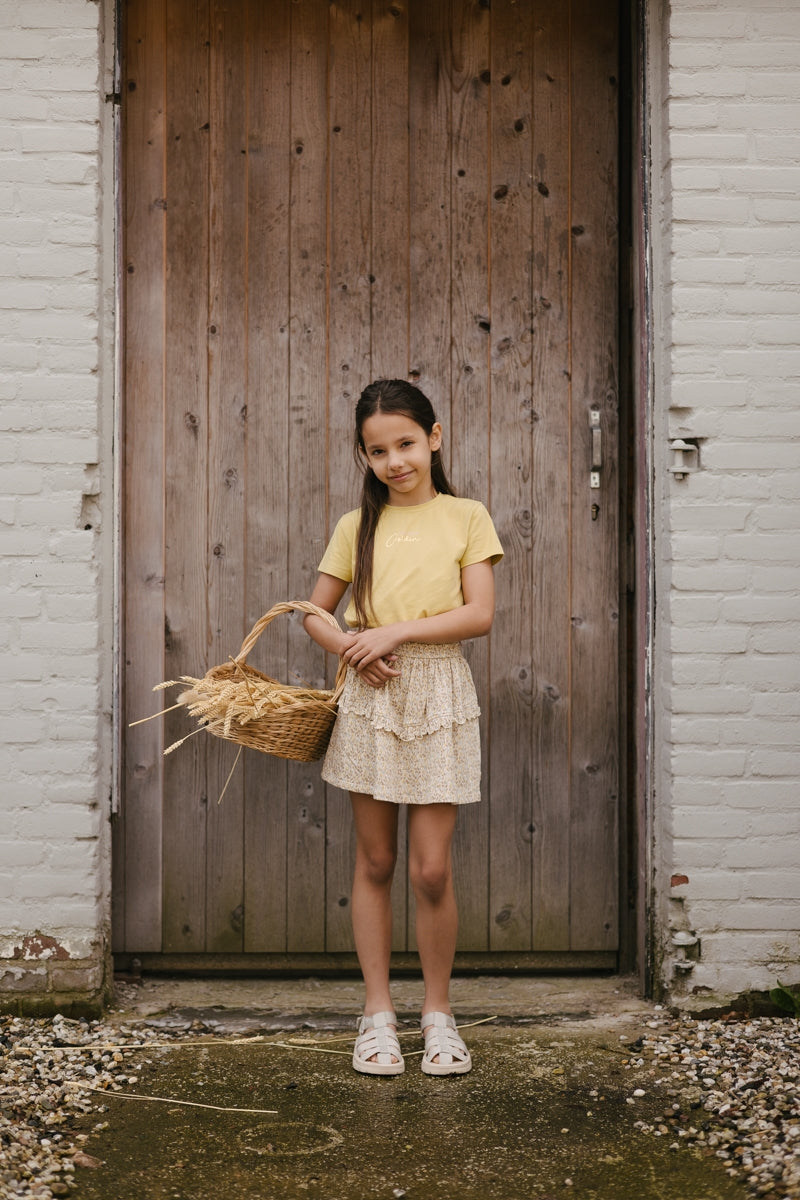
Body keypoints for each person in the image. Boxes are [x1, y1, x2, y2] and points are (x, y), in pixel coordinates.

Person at [303, 379, 503, 1077]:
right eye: (378, 450)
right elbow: (314, 613)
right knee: (376, 861)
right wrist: (351, 648)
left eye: (407, 444)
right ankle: (378, 1014)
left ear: (435, 438)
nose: (395, 461)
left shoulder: (466, 516)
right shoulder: (356, 526)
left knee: (431, 867)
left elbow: (478, 613)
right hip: (371, 692)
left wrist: (395, 631)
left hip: (440, 688)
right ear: (365, 455)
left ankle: (439, 1015)